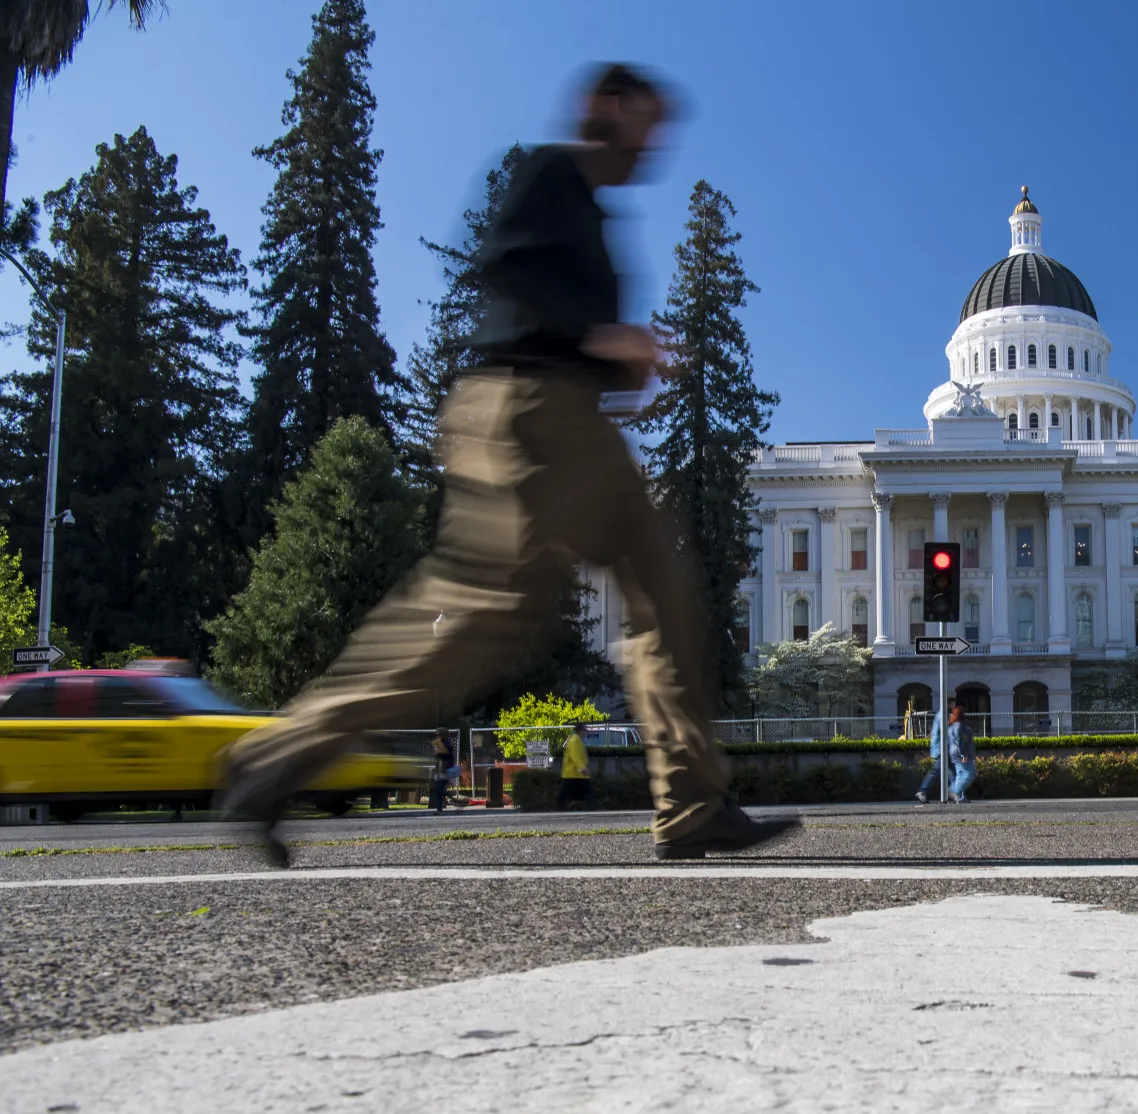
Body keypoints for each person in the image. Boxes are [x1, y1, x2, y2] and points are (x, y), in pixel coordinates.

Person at [222, 64, 796, 864]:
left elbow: (560, 319)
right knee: (490, 612)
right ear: (609, 105)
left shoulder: (590, 211)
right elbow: (506, 268)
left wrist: (624, 373)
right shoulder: (548, 172)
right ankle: (278, 756)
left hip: (573, 425)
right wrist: (601, 340)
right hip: (527, 414)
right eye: (648, 122)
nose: (653, 144)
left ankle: (693, 801)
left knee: (665, 597)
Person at [913, 703, 947, 803]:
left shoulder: (939, 716)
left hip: (940, 749)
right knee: (936, 771)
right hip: (941, 749)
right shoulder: (943, 716)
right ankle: (923, 790)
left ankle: (955, 794)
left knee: (948, 772)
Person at [946, 703, 977, 804]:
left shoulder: (952, 726)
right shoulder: (958, 726)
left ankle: (960, 796)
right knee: (969, 773)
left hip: (954, 752)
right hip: (960, 753)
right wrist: (963, 753)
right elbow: (960, 740)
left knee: (961, 774)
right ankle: (954, 792)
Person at [559, 721, 593, 808]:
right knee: (587, 793)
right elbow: (575, 756)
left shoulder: (578, 741)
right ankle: (595, 809)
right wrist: (582, 768)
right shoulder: (574, 741)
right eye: (585, 729)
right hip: (572, 774)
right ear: (580, 730)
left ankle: (559, 810)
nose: (586, 732)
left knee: (565, 796)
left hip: (575, 774)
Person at [429, 728, 460, 812]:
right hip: (439, 770)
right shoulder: (438, 745)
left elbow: (447, 757)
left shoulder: (447, 745)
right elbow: (438, 758)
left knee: (438, 788)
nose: (437, 737)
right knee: (437, 790)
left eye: (439, 735)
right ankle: (439, 809)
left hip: (445, 770)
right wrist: (436, 754)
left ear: (443, 736)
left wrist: (439, 754)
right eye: (436, 735)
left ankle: (452, 798)